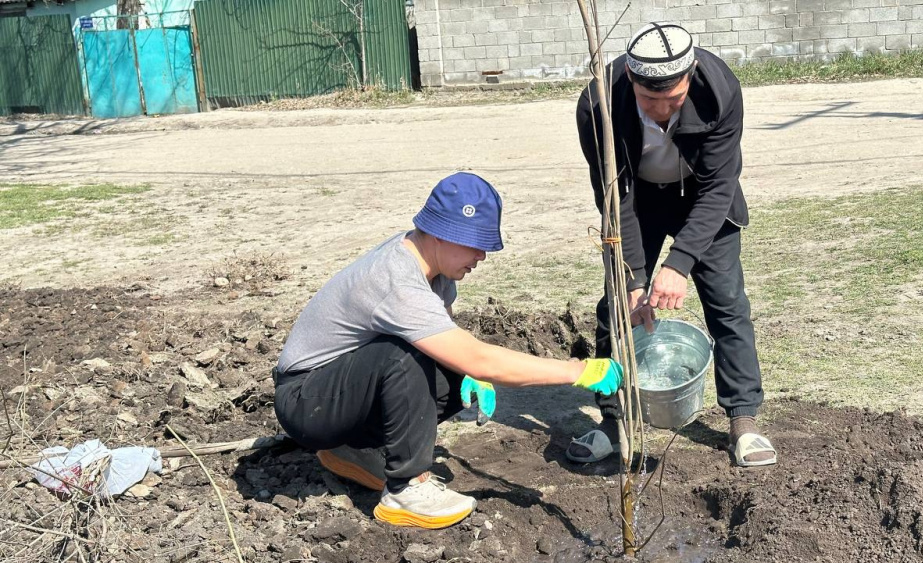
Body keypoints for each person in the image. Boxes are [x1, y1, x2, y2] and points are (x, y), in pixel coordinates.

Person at [272, 172, 624, 530]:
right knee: (404, 355)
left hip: (338, 393)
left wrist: (466, 371)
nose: (482, 256)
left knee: (450, 371)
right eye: (475, 244)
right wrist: (576, 371)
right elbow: (479, 359)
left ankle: (351, 449)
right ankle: (405, 491)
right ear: (442, 233)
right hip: (305, 400)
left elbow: (451, 337)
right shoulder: (396, 279)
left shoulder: (433, 270)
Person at [571, 23, 776, 468]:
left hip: (701, 197)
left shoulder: (720, 89)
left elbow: (720, 186)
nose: (662, 112)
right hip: (635, 201)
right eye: (650, 101)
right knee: (617, 307)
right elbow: (612, 193)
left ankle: (743, 418)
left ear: (692, 75)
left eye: (675, 100)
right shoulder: (598, 105)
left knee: (727, 303)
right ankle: (613, 418)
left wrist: (678, 263)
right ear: (630, 78)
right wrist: (635, 275)